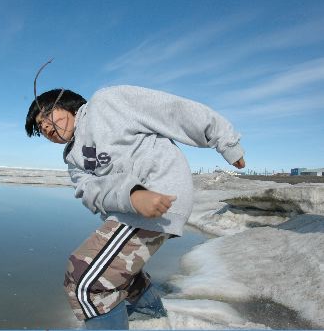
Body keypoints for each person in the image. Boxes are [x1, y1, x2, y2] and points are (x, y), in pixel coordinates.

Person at [25, 85, 245, 329]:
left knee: (84, 283)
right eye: (40, 128)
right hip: (130, 211)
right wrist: (131, 197)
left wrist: (225, 140)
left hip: (162, 193)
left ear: (66, 104)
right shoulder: (72, 158)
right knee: (118, 274)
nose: (45, 128)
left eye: (46, 117)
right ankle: (154, 319)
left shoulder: (106, 103)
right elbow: (90, 193)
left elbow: (172, 111)